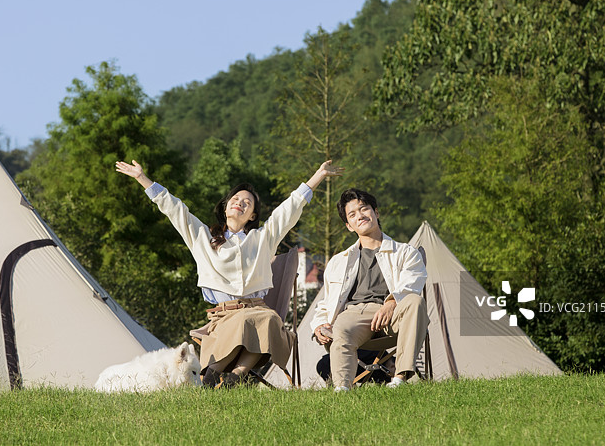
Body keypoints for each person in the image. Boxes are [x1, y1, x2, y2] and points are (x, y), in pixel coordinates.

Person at [115, 159, 342, 387]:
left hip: (257, 310)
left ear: (252, 215)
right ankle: (213, 374)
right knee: (255, 320)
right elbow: (175, 209)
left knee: (271, 319)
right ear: (225, 208)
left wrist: (318, 176)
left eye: (247, 202)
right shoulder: (203, 237)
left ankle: (234, 378)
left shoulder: (263, 238)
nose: (240, 203)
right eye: (235, 199)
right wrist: (141, 178)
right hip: (223, 317)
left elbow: (289, 209)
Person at [311, 187, 428, 391]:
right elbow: (326, 302)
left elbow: (412, 284)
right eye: (352, 214)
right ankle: (342, 390)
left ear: (376, 212)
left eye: (364, 209)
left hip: (393, 315)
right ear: (349, 226)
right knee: (341, 328)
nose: (360, 216)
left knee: (415, 302)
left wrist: (392, 302)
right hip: (354, 314)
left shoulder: (405, 252)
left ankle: (399, 379)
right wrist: (319, 324)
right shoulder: (339, 261)